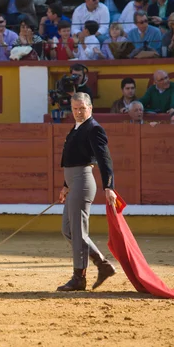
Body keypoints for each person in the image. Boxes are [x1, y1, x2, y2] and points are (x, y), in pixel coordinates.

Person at [57, 91, 117, 292]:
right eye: (75, 109)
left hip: (83, 182)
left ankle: (79, 277)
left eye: (82, 108)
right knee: (68, 230)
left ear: (90, 108)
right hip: (74, 183)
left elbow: (104, 158)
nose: (78, 112)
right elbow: (72, 158)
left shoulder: (94, 128)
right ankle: (102, 264)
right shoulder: (77, 128)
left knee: (78, 231)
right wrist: (66, 186)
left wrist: (109, 186)